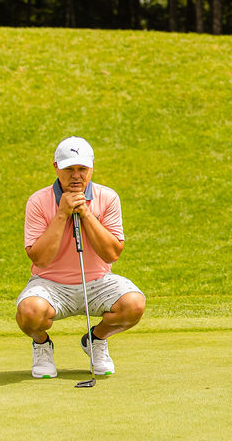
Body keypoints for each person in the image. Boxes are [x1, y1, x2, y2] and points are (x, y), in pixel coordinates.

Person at [16, 137, 146, 378]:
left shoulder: (108, 197)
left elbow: (112, 253)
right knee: (29, 312)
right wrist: (62, 213)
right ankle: (42, 345)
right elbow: (40, 259)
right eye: (69, 169)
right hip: (50, 284)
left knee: (134, 304)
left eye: (82, 168)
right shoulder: (38, 201)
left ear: (92, 167)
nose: (76, 176)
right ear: (56, 167)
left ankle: (96, 340)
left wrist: (85, 212)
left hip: (98, 282)